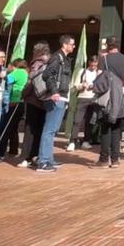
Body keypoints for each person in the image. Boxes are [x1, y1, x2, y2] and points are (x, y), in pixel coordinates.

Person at [35, 35, 76, 173]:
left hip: (61, 97)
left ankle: (48, 159)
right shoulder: (57, 57)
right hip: (56, 97)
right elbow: (47, 74)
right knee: (49, 130)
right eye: (72, 44)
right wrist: (54, 91)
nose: (74, 47)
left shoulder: (62, 58)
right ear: (65, 44)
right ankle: (43, 161)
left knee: (52, 130)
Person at [96, 39, 124, 168]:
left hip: (108, 98)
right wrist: (123, 89)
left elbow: (99, 78)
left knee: (106, 128)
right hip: (121, 97)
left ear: (108, 47)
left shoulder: (104, 59)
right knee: (117, 128)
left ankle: (104, 159)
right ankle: (116, 159)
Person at [19, 43, 51, 168]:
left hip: (33, 100)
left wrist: (24, 94)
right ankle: (36, 155)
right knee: (41, 129)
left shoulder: (36, 63)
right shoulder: (51, 62)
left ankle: (26, 156)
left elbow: (30, 81)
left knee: (30, 128)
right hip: (46, 99)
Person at [67, 55, 100, 151]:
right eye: (92, 65)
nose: (93, 67)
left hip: (93, 99)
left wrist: (94, 87)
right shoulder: (82, 71)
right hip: (82, 98)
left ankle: (86, 140)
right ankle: (72, 141)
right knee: (77, 120)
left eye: (95, 65)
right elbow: (76, 85)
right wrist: (82, 85)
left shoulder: (98, 73)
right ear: (89, 63)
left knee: (90, 121)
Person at [0, 58, 28, 159]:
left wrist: (1, 74)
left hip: (14, 102)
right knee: (13, 127)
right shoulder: (26, 73)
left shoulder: (18, 72)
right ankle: (13, 149)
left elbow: (6, 79)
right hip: (21, 103)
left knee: (5, 127)